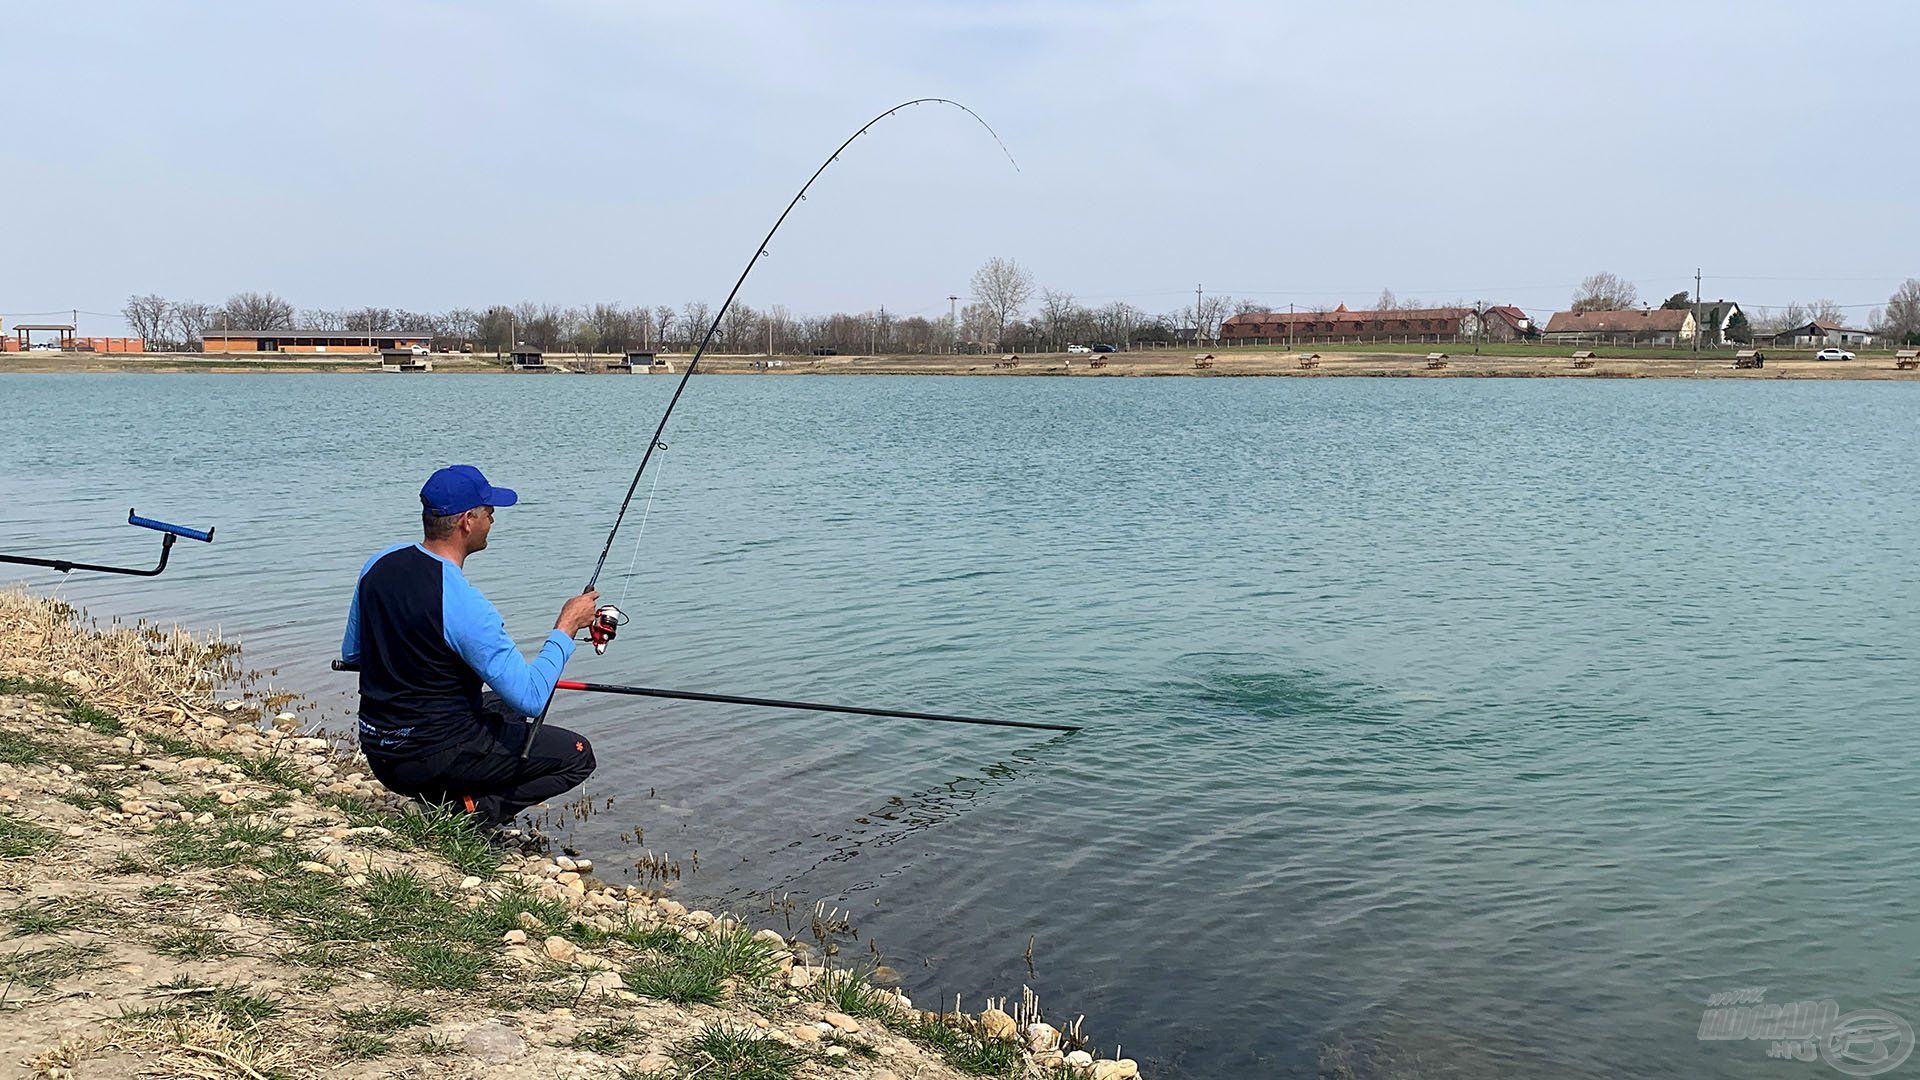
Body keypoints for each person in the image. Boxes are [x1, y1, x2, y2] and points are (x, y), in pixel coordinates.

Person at [340, 464, 600, 826]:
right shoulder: (465, 604)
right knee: (577, 755)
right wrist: (566, 626)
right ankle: (475, 814)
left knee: (502, 708)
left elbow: (352, 654)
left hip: (380, 753)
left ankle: (448, 796)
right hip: (430, 758)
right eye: (488, 511)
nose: (492, 517)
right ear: (467, 521)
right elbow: (532, 696)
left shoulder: (378, 564)